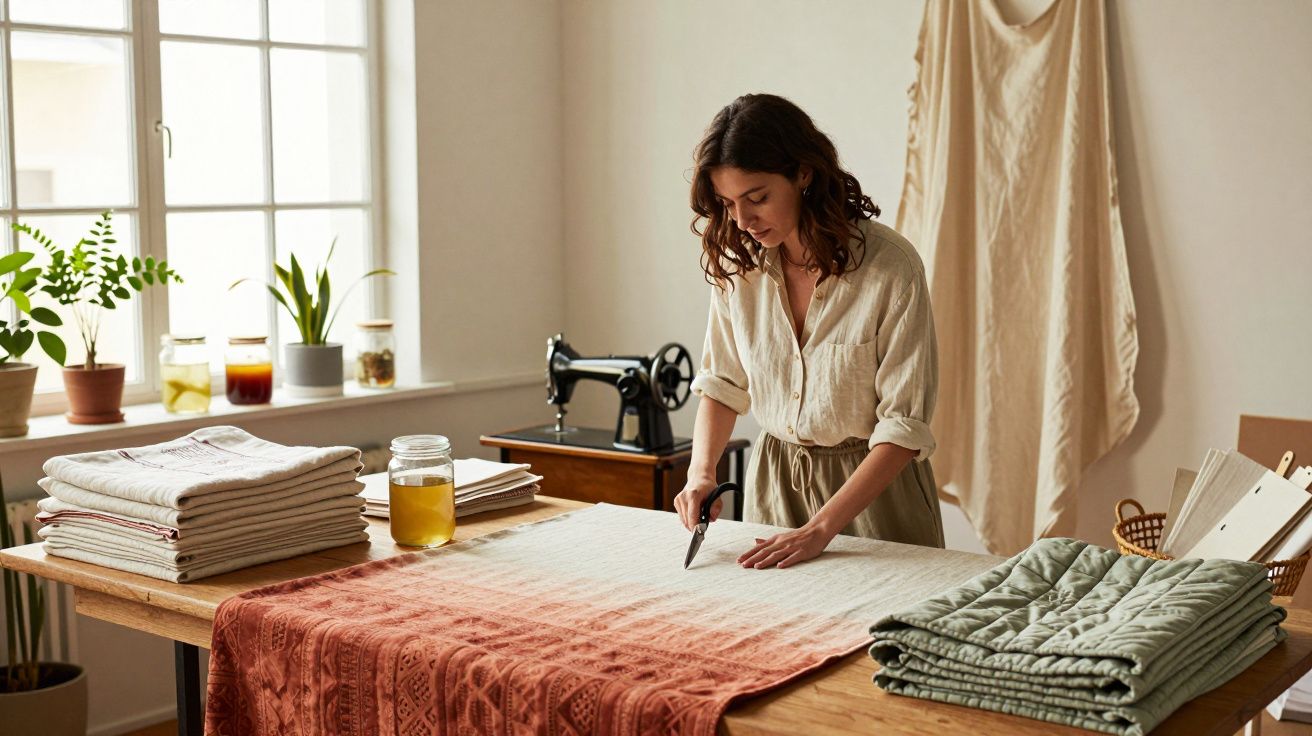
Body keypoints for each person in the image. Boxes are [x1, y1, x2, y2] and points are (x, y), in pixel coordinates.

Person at [673, 93, 944, 569]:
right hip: (774, 487)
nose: (742, 221)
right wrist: (700, 473)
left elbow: (902, 427)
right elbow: (722, 384)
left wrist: (821, 529)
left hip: (874, 498)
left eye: (757, 198)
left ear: (804, 173)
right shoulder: (740, 268)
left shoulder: (890, 269)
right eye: (728, 203)